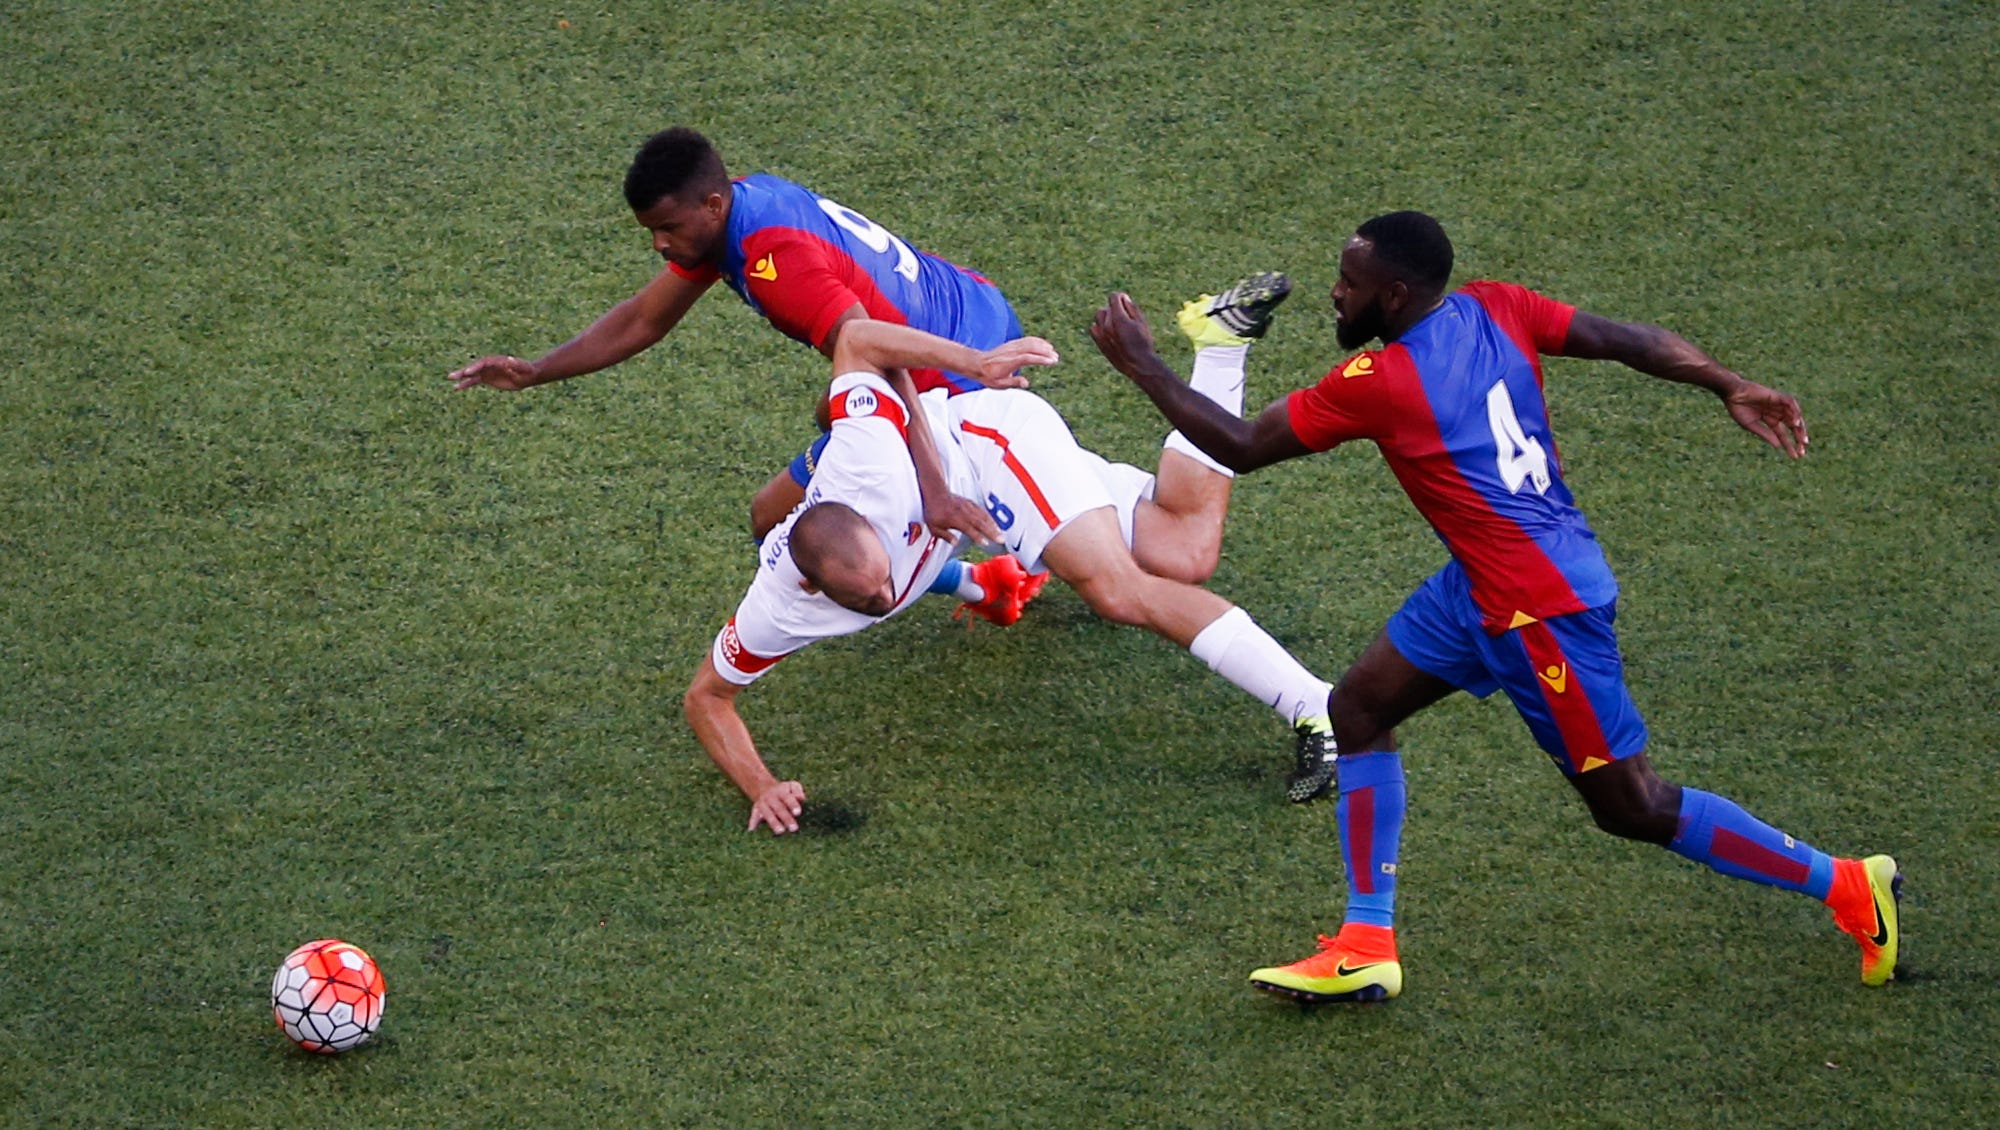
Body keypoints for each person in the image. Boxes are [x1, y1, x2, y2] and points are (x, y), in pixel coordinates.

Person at [1090, 211, 1900, 999]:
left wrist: (1145, 366)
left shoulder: (1384, 383)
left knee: (1632, 805)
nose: (1337, 295)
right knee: (1357, 710)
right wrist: (1726, 380)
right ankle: (1365, 945)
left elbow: (1238, 447)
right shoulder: (1496, 305)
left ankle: (1848, 887)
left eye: (1350, 283)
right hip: (1481, 581)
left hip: (1538, 606)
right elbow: (1628, 340)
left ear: (1396, 295)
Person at [686, 276, 1345, 834]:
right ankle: (1222, 344)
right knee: (1183, 549)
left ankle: (1318, 707)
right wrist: (760, 785)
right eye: (866, 601)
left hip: (991, 444)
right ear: (812, 592)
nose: (885, 599)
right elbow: (707, 698)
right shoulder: (777, 611)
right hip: (976, 478)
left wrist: (961, 408)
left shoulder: (867, 467)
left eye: (885, 576)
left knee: (1119, 590)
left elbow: (858, 339)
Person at [448, 125, 1039, 616]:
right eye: (651, 230)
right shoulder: (741, 204)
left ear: (710, 206)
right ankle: (987, 579)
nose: (658, 244)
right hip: (969, 304)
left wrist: (934, 490)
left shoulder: (771, 262)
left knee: (831, 546)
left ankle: (1006, 571)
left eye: (668, 229)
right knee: (778, 511)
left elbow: (879, 352)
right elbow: (641, 320)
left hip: (954, 378)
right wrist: (536, 371)